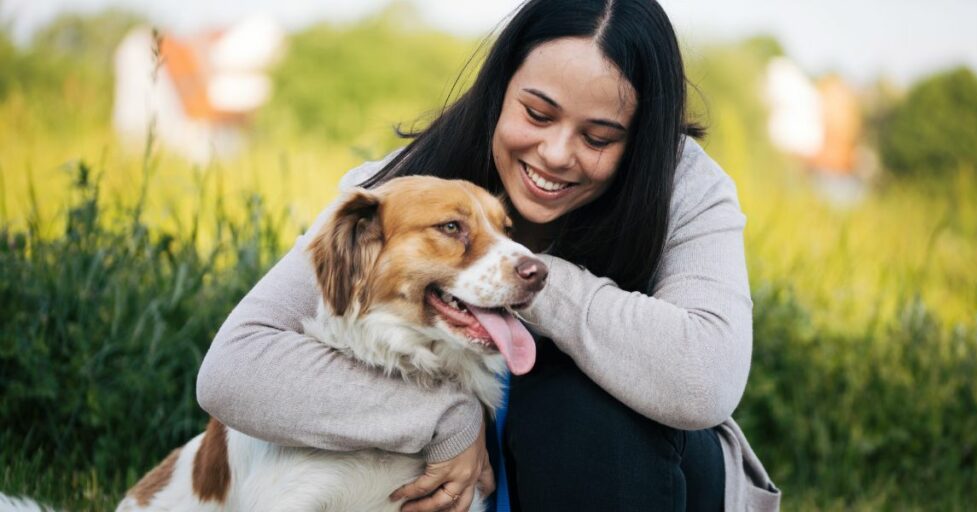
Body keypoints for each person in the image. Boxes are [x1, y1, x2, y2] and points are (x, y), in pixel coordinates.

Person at [196, 0, 781, 510]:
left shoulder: (687, 188)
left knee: (578, 406)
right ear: (500, 88)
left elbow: (704, 379)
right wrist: (444, 418)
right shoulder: (399, 189)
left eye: (598, 138)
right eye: (537, 113)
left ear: (643, 136)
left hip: (648, 477)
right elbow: (235, 366)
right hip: (495, 477)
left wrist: (532, 282)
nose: (555, 154)